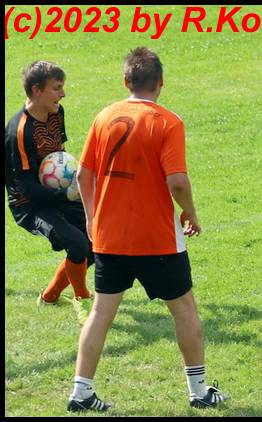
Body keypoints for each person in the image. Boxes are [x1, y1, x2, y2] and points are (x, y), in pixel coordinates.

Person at [67, 47, 229, 412]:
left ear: (126, 81)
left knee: (101, 313)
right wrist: (190, 213)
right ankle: (199, 391)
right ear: (161, 83)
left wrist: (92, 219)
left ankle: (81, 392)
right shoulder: (168, 122)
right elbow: (177, 181)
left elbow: (82, 176)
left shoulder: (104, 116)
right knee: (184, 309)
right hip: (156, 239)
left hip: (110, 237)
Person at [5, 61, 95, 324]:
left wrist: (73, 178)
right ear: (37, 90)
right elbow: (26, 188)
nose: (63, 94)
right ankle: (82, 299)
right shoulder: (19, 131)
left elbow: (58, 156)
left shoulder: (56, 112)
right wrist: (67, 195)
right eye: (57, 88)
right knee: (77, 243)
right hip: (29, 204)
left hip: (57, 192)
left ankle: (50, 297)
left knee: (93, 240)